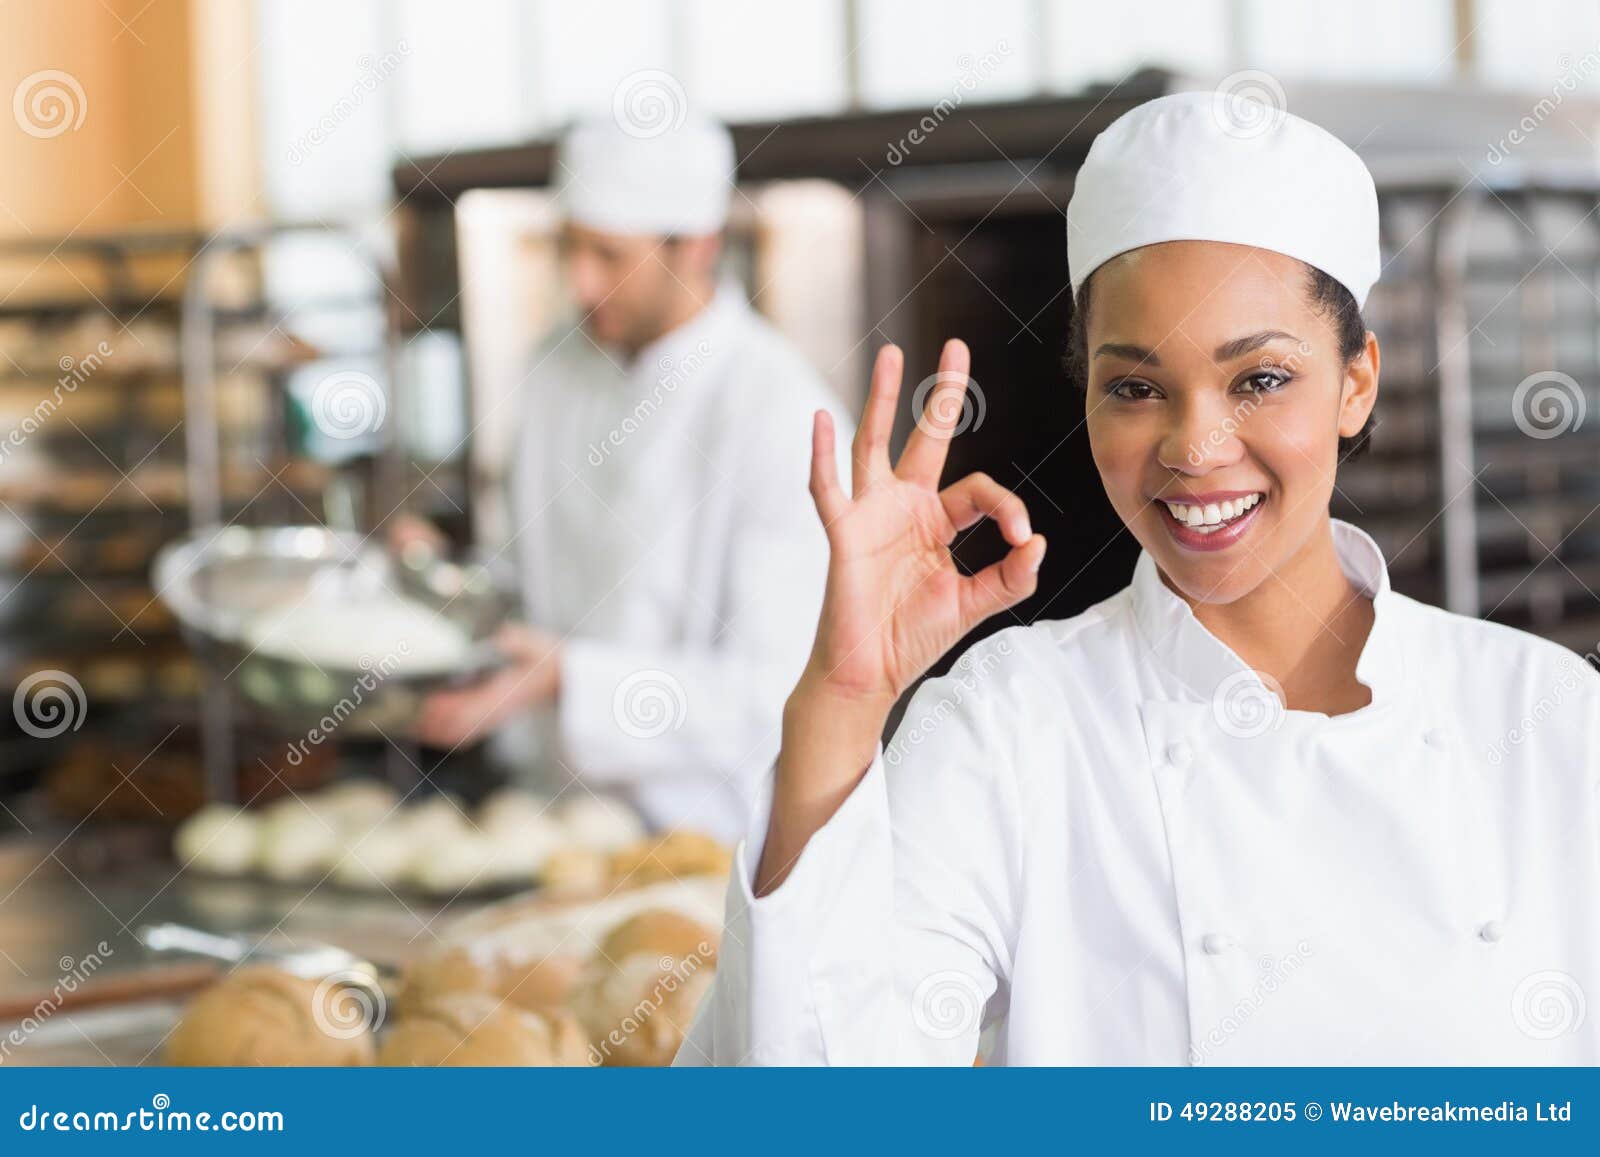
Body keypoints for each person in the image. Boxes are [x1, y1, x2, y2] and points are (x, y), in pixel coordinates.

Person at [677, 91, 1600, 1065]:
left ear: (1356, 379)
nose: (1195, 447)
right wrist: (844, 697)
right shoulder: (1009, 725)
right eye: (1135, 387)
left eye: (1260, 378)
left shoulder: (1547, 716)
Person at [408, 114, 852, 842]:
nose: (581, 283)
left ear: (697, 246)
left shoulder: (780, 411)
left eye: (609, 256)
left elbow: (778, 693)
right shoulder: (556, 367)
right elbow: (529, 575)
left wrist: (571, 679)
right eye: (570, 249)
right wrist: (442, 581)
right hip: (548, 826)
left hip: (711, 845)